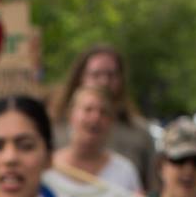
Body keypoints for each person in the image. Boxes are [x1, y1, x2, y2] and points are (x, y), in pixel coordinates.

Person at [49, 45, 154, 188]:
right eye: (96, 74)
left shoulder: (140, 134)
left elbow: (151, 187)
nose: (104, 82)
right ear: (80, 77)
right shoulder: (53, 129)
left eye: (111, 75)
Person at [53, 85, 143, 194]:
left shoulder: (125, 172)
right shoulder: (48, 166)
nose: (96, 117)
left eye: (103, 112)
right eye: (88, 109)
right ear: (71, 115)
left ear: (111, 121)